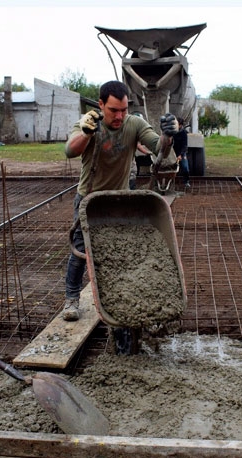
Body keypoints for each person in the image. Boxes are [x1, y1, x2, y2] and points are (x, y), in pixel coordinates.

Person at [61, 80, 178, 321]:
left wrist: (168, 135)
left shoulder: (134, 123)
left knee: (121, 252)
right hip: (89, 199)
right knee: (81, 251)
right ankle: (71, 300)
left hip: (120, 200)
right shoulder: (89, 124)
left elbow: (160, 150)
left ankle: (121, 296)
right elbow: (70, 151)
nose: (120, 115)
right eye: (114, 110)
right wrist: (85, 133)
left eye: (123, 110)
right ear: (101, 104)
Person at [173, 119, 191, 188]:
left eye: (176, 124)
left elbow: (184, 145)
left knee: (185, 167)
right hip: (172, 153)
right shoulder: (172, 132)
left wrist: (181, 155)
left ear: (180, 125)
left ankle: (186, 182)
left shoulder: (183, 133)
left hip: (181, 153)